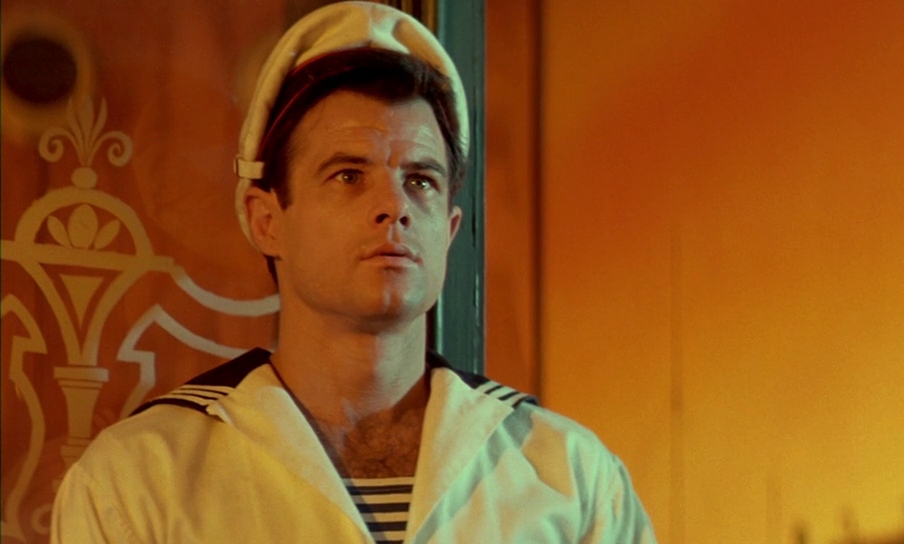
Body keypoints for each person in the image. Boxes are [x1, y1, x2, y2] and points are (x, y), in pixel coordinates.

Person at [51, 3, 656, 543]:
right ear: (266, 220)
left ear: (449, 231)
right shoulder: (140, 479)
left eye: (421, 180)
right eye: (348, 175)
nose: (394, 205)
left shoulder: (570, 477)